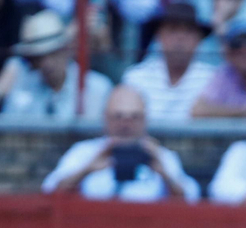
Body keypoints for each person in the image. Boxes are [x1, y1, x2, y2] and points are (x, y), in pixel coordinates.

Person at [43, 85, 200, 202]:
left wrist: (164, 174)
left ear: (145, 120)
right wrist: (86, 170)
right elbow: (49, 191)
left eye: (134, 117)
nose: (126, 125)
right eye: (118, 116)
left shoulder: (161, 155)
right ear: (105, 118)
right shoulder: (85, 152)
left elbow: (192, 198)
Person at [0, 8, 112, 118]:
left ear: (66, 49)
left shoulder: (96, 89)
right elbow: (9, 125)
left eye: (53, 53)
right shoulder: (23, 88)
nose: (46, 63)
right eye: (38, 57)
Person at [120, 0, 216, 123]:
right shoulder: (136, 77)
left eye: (188, 31)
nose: (180, 37)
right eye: (173, 30)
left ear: (199, 39)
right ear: (159, 36)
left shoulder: (213, 79)